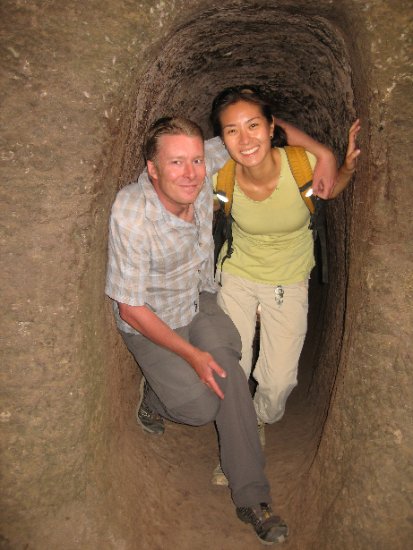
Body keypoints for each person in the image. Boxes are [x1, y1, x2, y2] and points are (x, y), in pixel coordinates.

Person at [106, 116, 292, 545]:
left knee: (226, 368)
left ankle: (252, 495)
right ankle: (155, 396)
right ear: (152, 168)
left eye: (195, 160)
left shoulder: (201, 165)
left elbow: (261, 128)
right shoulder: (133, 213)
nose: (191, 173)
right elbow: (131, 308)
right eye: (176, 163)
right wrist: (191, 356)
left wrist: (322, 155)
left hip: (197, 298)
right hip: (152, 320)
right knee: (199, 407)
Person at [209, 86, 360, 484]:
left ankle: (261, 417)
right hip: (238, 273)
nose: (244, 140)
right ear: (221, 138)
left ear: (273, 126)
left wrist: (341, 166)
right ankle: (242, 442)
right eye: (232, 131)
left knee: (278, 382)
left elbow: (330, 188)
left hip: (289, 277)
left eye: (253, 125)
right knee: (232, 368)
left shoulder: (302, 164)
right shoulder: (220, 176)